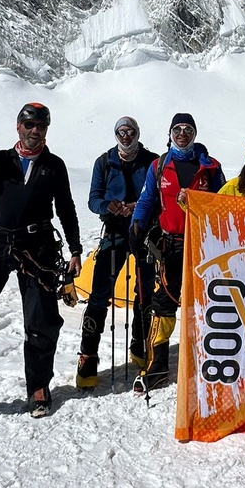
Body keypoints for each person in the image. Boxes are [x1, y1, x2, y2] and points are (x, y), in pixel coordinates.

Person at [0, 104, 82, 418]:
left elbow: (66, 207)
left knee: (41, 319)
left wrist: (76, 249)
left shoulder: (54, 166)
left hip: (38, 249)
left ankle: (38, 387)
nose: (34, 130)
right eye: (29, 124)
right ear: (18, 127)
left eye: (40, 126)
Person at [130, 113, 225, 394]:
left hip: (204, 245)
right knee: (164, 302)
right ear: (170, 133)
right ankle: (158, 367)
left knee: (210, 303)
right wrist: (137, 224)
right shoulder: (159, 166)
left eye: (188, 129)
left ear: (194, 133)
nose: (182, 133)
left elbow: (222, 202)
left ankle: (211, 363)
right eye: (177, 129)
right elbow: (148, 198)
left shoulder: (210, 167)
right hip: (171, 244)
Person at [76, 117, 158, 389]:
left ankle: (139, 342)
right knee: (100, 291)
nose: (126, 136)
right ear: (116, 135)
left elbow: (158, 196)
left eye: (130, 131)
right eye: (121, 132)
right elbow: (92, 199)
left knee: (145, 290)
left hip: (143, 230)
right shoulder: (104, 161)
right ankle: (88, 354)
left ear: (137, 133)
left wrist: (139, 206)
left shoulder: (152, 161)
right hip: (114, 230)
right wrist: (108, 206)